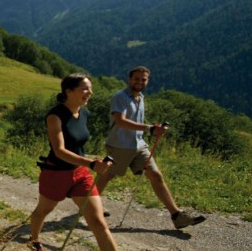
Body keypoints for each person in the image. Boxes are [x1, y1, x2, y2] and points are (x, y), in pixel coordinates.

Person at [96, 66, 206, 229]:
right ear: (129, 79)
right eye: (136, 79)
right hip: (120, 146)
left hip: (139, 146)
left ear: (147, 81)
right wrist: (150, 128)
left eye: (144, 79)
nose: (140, 82)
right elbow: (120, 121)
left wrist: (153, 128)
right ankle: (88, 203)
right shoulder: (120, 97)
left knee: (155, 175)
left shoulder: (141, 97)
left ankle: (177, 216)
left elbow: (135, 122)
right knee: (107, 176)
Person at [28, 73, 117, 251]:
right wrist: (90, 163)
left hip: (80, 173)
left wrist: (92, 161)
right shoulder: (55, 116)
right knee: (43, 211)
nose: (89, 92)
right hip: (56, 173)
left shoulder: (84, 113)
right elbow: (59, 150)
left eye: (90, 89)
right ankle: (34, 239)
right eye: (85, 89)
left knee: (98, 222)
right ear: (68, 91)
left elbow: (77, 146)